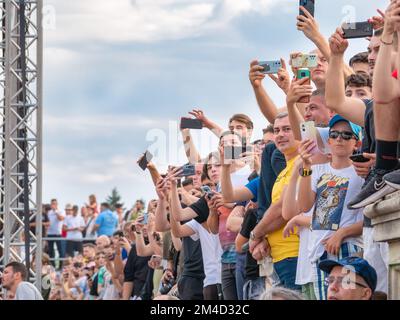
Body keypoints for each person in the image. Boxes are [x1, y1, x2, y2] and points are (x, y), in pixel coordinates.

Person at [297, 115, 364, 300]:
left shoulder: (362, 172)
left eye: (346, 135)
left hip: (349, 250)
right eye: (334, 134)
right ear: (329, 141)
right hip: (320, 251)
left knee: (349, 296)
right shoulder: (317, 170)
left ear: (356, 143)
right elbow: (304, 206)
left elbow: (369, 218)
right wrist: (306, 165)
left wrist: (342, 233)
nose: (339, 138)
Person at [47, 198, 66, 267]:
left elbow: (61, 218)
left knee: (60, 250)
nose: (53, 205)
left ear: (57, 204)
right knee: (51, 251)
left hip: (58, 233)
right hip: (50, 233)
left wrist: (56, 212)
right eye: (52, 204)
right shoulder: (49, 212)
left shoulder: (61, 211)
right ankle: (53, 266)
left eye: (54, 204)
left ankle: (61, 266)